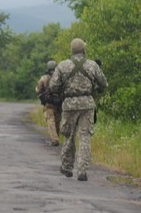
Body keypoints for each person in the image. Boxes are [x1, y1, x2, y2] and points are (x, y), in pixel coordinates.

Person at [49, 38, 108, 182]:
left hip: (69, 105)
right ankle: (82, 170)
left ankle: (67, 167)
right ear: (84, 50)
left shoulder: (62, 66)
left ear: (71, 50)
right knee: (85, 137)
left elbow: (53, 87)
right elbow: (104, 84)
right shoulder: (92, 65)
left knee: (69, 136)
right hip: (87, 104)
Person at [35, 60, 62, 146]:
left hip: (48, 104)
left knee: (50, 121)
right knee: (57, 121)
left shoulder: (44, 78)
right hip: (58, 103)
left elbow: (38, 90)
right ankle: (56, 138)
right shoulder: (60, 78)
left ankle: (55, 140)